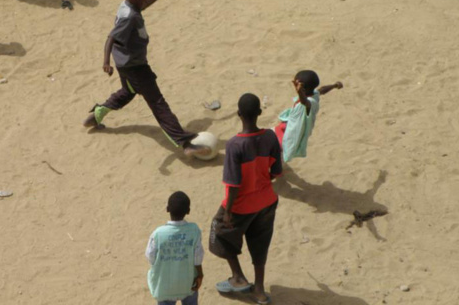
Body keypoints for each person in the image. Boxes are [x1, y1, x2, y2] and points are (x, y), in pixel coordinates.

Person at [83, 0, 209, 157]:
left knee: (128, 91)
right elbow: (110, 38)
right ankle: (185, 143)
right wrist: (105, 62)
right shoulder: (129, 17)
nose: (146, 1)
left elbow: (143, 6)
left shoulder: (129, 5)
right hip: (135, 66)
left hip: (125, 63)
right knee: (157, 102)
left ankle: (96, 115)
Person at [209, 93, 282, 305]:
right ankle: (259, 291)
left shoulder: (234, 145)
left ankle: (238, 277)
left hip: (241, 205)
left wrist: (229, 211)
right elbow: (276, 171)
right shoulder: (269, 137)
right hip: (267, 201)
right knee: (260, 244)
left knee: (220, 232)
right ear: (259, 113)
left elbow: (233, 185)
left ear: (239, 114)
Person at [146, 191, 204, 305]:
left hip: (164, 287)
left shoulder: (158, 233)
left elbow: (150, 257)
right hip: (187, 284)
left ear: (167, 209)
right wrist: (200, 275)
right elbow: (198, 258)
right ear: (188, 211)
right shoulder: (194, 230)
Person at [274, 70, 343, 163]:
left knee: (283, 146)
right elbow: (322, 90)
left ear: (302, 88)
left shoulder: (310, 103)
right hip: (291, 123)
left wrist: (299, 92)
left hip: (295, 130)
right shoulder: (314, 94)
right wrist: (335, 85)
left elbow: (305, 103)